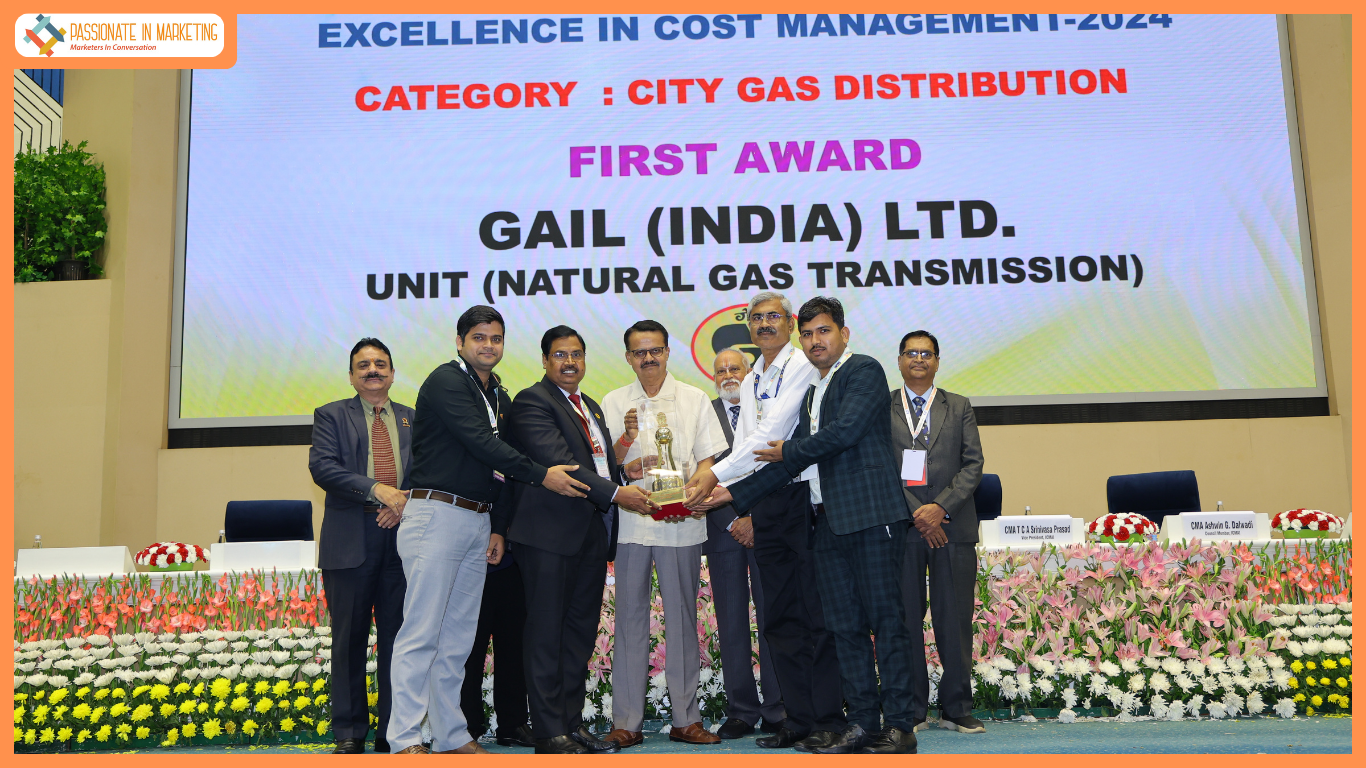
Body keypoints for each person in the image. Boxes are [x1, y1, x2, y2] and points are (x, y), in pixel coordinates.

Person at [698, 297, 920, 755]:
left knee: (886, 622)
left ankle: (900, 725)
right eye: (808, 333)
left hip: (871, 515)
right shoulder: (814, 390)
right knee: (844, 627)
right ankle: (861, 724)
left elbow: (844, 433)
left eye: (824, 331)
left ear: (843, 333)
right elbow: (789, 463)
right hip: (825, 521)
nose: (815, 340)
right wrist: (731, 495)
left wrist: (787, 451)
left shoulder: (863, 370)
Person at [387, 307, 590, 755]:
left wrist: (498, 526)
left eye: (496, 338)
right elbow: (484, 445)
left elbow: (500, 470)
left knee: (458, 639)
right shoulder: (446, 381)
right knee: (421, 633)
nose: (488, 346)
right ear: (460, 342)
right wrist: (543, 475)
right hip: (436, 513)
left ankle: (451, 735)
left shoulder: (497, 392)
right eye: (479, 338)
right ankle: (404, 739)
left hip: (477, 519)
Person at [682, 292, 845, 751]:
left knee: (814, 616)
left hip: (803, 500)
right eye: (757, 318)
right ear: (749, 327)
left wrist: (716, 477)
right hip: (767, 499)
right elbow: (746, 446)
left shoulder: (801, 365)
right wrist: (728, 492)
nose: (765, 324)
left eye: (774, 316)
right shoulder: (753, 376)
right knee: (779, 617)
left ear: (790, 324)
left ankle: (828, 718)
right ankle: (796, 718)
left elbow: (772, 433)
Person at [508, 325, 658, 755]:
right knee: (546, 633)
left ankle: (571, 725)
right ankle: (548, 731)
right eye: (560, 355)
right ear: (544, 360)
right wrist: (618, 493)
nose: (570, 362)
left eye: (576, 354)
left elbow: (597, 463)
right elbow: (562, 464)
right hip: (548, 536)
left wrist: (623, 473)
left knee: (578, 635)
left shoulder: (588, 405)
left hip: (590, 533)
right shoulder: (532, 402)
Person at [598, 320, 727, 748]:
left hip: (681, 523)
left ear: (668, 352)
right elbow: (607, 466)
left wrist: (694, 492)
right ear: (628, 357)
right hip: (633, 523)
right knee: (629, 621)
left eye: (655, 350)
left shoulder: (694, 398)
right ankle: (627, 722)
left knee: (683, 620)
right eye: (640, 352)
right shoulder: (613, 401)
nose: (648, 358)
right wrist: (627, 449)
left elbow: (709, 460)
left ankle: (686, 719)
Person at [309, 338, 412, 754]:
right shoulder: (331, 415)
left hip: (403, 537)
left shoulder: (413, 418)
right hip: (351, 537)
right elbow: (323, 467)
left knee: (399, 640)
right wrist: (376, 490)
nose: (373, 370)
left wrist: (403, 501)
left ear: (392, 373)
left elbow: (430, 469)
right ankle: (350, 733)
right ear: (352, 375)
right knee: (349, 638)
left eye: (381, 364)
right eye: (364, 365)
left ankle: (394, 731)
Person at [892, 330, 985, 735]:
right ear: (899, 360)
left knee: (955, 620)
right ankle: (912, 709)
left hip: (953, 528)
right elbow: (879, 466)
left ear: (937, 361)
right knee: (905, 621)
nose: (919, 359)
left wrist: (940, 508)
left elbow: (973, 464)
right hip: (904, 529)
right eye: (911, 353)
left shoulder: (959, 405)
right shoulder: (882, 407)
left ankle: (956, 708)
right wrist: (919, 514)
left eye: (926, 353)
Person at [702, 347, 786, 738]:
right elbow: (698, 473)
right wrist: (734, 520)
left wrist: (756, 519)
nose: (728, 376)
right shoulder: (704, 416)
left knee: (774, 618)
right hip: (722, 530)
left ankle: (777, 707)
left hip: (768, 527)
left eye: (734, 368)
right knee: (731, 621)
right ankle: (741, 710)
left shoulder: (772, 410)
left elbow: (781, 466)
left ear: (750, 372)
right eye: (720, 371)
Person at [457, 509, 535, 748]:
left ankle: (513, 724)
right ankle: (467, 724)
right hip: (467, 551)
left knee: (514, 645)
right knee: (469, 647)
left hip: (513, 556)